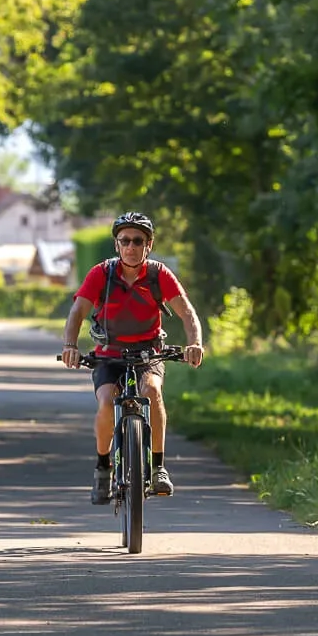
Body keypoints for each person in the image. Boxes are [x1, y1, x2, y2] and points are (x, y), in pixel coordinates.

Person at [58, 212, 205, 503]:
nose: (131, 247)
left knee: (152, 391)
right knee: (106, 401)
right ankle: (103, 467)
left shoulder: (158, 275)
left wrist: (195, 342)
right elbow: (77, 313)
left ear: (148, 245)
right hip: (108, 355)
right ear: (116, 244)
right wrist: (70, 345)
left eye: (138, 241)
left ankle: (158, 468)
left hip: (148, 352)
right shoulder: (102, 274)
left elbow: (187, 313)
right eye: (125, 240)